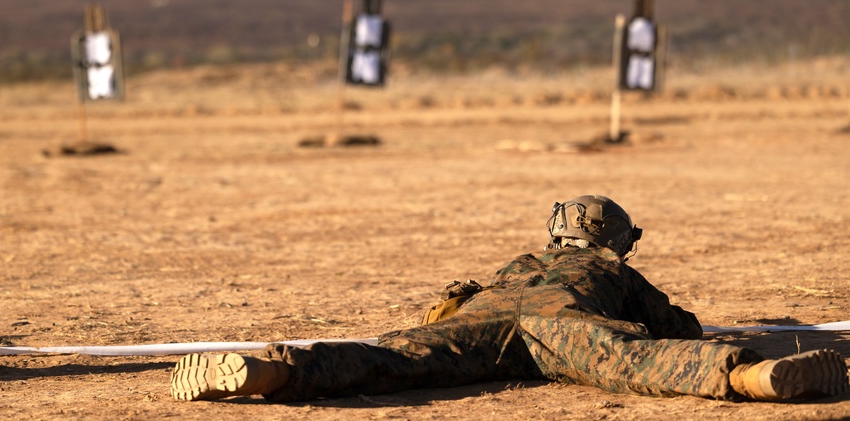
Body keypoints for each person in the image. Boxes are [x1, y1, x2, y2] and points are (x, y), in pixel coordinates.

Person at [171, 195, 849, 403]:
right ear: (614, 240)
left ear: (553, 234)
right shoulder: (609, 265)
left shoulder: (518, 263)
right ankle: (754, 376)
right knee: (640, 362)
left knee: (394, 358)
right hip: (564, 329)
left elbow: (446, 305)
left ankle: (271, 371)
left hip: (486, 321)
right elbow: (678, 327)